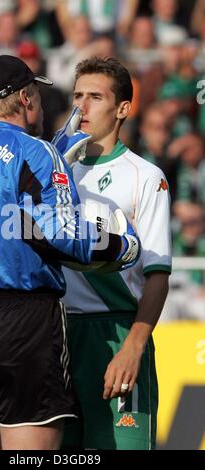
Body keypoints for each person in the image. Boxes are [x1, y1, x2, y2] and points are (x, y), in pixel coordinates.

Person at [0, 55, 140, 451]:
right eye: (38, 97)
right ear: (26, 99)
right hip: (23, 318)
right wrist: (122, 245)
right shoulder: (38, 152)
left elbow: (1, 223)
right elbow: (62, 235)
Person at [57, 57, 172, 450]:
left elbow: (158, 274)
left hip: (117, 332)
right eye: (77, 96)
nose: (81, 108)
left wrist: (134, 346)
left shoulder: (146, 176)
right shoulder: (54, 172)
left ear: (123, 109)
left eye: (95, 97)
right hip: (59, 337)